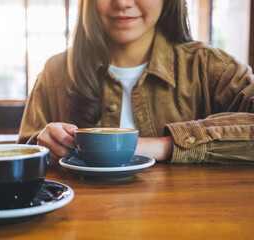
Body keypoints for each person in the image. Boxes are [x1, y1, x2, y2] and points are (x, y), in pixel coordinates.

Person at [18, 0, 254, 164]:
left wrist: (166, 145)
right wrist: (42, 148)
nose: (122, 3)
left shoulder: (210, 67)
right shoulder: (54, 73)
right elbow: (19, 157)